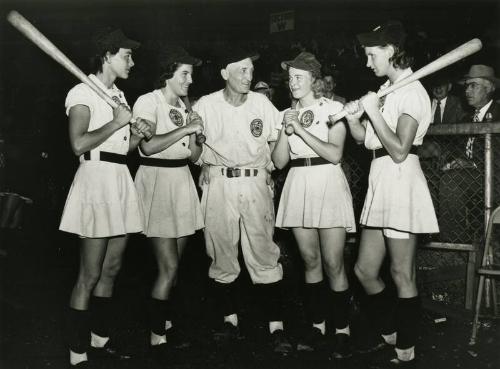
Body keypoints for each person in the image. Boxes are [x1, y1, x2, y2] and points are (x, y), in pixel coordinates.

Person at [340, 21, 439, 367]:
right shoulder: (388, 91)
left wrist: (370, 110)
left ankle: (406, 350)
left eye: (372, 55)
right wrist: (356, 119)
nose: (368, 63)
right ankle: (392, 332)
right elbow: (365, 140)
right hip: (380, 180)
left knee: (401, 273)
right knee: (365, 270)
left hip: (400, 179)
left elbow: (398, 149)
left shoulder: (413, 92)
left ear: (391, 51)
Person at [59, 27, 152, 368]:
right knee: (90, 272)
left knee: (112, 268)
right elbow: (79, 144)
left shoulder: (119, 95)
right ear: (107, 56)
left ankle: (100, 339)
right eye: (126, 55)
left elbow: (120, 150)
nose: (132, 60)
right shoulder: (81, 92)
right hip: (95, 181)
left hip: (118, 179)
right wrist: (116, 124)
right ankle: (77, 349)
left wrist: (138, 134)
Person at [194, 45, 292, 354]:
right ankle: (229, 321)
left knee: (264, 253)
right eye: (242, 70)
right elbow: (194, 151)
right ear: (225, 73)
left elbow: (278, 151)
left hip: (254, 183)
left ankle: (276, 328)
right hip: (219, 183)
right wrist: (203, 163)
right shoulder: (206, 105)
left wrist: (273, 167)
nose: (248, 76)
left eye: (251, 70)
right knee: (221, 254)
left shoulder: (262, 103)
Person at [272, 52, 356, 358]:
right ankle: (318, 326)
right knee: (309, 260)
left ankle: (343, 329)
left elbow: (335, 154)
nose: (293, 83)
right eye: (290, 78)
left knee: (333, 261)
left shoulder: (334, 109)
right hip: (298, 183)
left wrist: (301, 130)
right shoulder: (286, 113)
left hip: (327, 182)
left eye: (299, 77)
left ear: (314, 80)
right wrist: (285, 128)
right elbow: (279, 161)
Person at [132, 45, 205, 358]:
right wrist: (186, 128)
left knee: (175, 267)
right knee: (169, 266)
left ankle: (166, 322)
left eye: (191, 74)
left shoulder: (184, 106)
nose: (189, 80)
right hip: (156, 181)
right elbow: (148, 148)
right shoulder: (148, 101)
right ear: (168, 74)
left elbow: (193, 156)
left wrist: (198, 138)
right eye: (184, 74)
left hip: (181, 182)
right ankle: (156, 336)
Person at [439, 65, 500, 243]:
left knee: (451, 181)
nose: (467, 90)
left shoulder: (499, 114)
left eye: (473, 85)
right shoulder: (466, 119)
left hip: (495, 179)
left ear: (489, 88)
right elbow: (456, 150)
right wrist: (451, 161)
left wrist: (471, 164)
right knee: (433, 177)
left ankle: (453, 245)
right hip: (472, 178)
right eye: (466, 86)